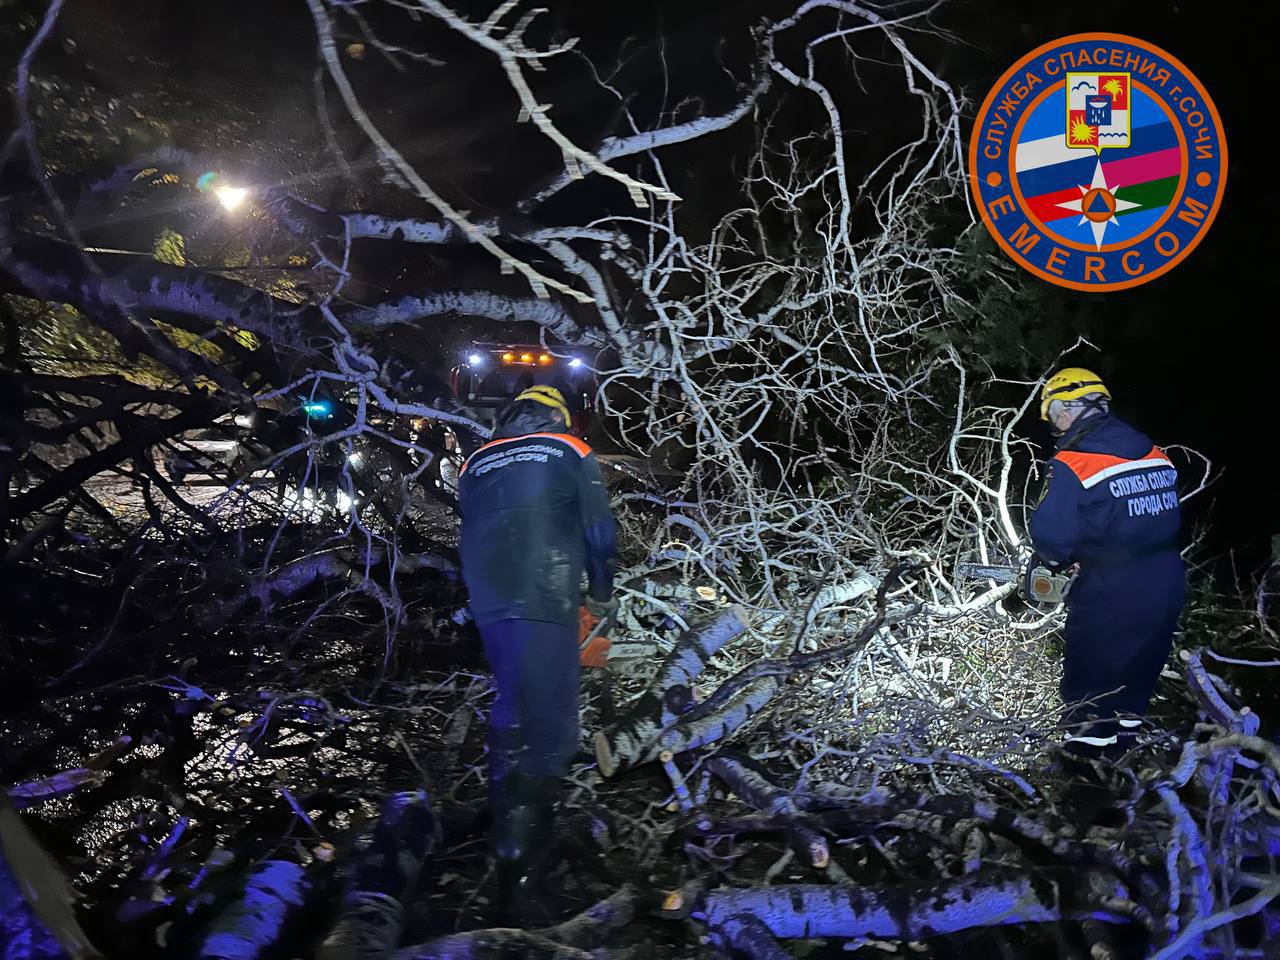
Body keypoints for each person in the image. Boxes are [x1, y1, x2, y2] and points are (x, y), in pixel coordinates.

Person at [457, 385, 617, 922]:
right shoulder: (571, 450)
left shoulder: (475, 462)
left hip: (489, 599)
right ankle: (523, 887)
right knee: (554, 736)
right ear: (558, 417)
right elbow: (597, 528)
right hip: (546, 592)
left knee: (512, 706)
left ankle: (504, 837)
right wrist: (600, 593)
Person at [1029, 367, 1185, 755]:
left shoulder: (1074, 462)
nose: (1057, 425)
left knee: (1091, 686)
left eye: (1055, 416)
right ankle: (1127, 759)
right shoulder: (1153, 453)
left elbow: (1052, 535)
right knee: (1137, 675)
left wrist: (1048, 564)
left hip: (1110, 590)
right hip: (1166, 581)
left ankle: (1086, 782)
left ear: (1068, 408)